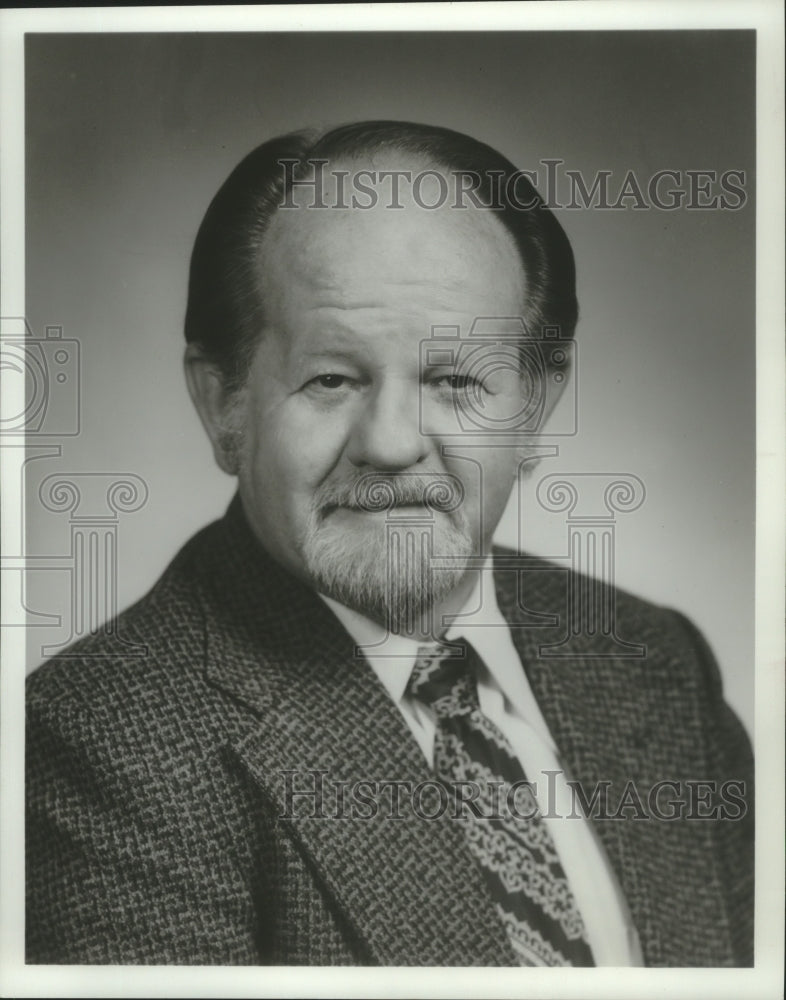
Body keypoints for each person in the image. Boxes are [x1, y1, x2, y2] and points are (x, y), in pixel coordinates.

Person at [26, 120, 753, 967]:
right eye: (331, 378)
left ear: (536, 406)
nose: (394, 442)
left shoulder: (652, 658)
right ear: (223, 404)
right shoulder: (103, 739)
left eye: (455, 380)